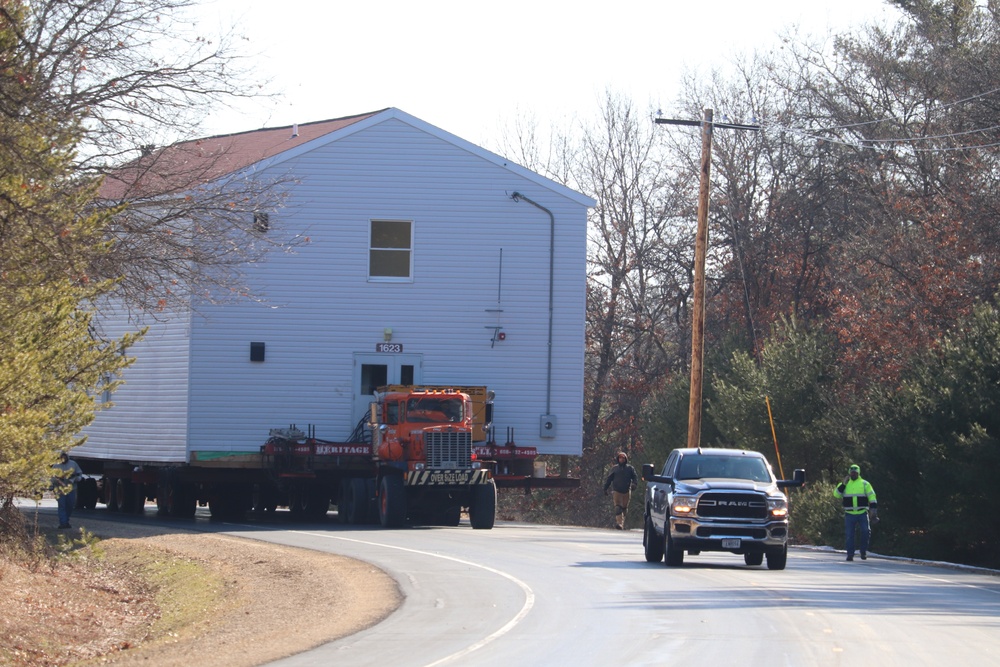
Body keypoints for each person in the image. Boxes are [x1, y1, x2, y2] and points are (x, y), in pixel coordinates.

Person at [833, 463, 878, 561]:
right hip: (849, 514)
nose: (853, 474)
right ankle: (850, 554)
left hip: (862, 513)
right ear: (849, 473)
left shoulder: (865, 484)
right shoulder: (844, 484)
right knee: (849, 535)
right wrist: (843, 484)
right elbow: (836, 494)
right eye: (852, 472)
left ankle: (863, 551)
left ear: (858, 473)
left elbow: (872, 497)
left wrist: (873, 510)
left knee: (866, 531)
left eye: (855, 472)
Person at [603, 451, 638, 530]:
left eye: (623, 458)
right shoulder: (614, 469)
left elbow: (635, 477)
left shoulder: (630, 469)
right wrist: (605, 488)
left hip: (626, 491)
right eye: (620, 458)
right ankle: (619, 524)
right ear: (618, 459)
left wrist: (634, 484)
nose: (621, 459)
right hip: (617, 491)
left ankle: (622, 523)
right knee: (618, 508)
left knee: (624, 508)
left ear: (625, 459)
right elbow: (609, 479)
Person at [51, 451, 84, 529]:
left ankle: (66, 520)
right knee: (62, 506)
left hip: (71, 488)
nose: (64, 459)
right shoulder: (56, 465)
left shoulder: (73, 464)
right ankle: (63, 523)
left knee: (70, 505)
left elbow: (79, 474)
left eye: (65, 457)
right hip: (60, 489)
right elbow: (52, 478)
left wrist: (75, 479)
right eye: (62, 457)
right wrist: (58, 480)